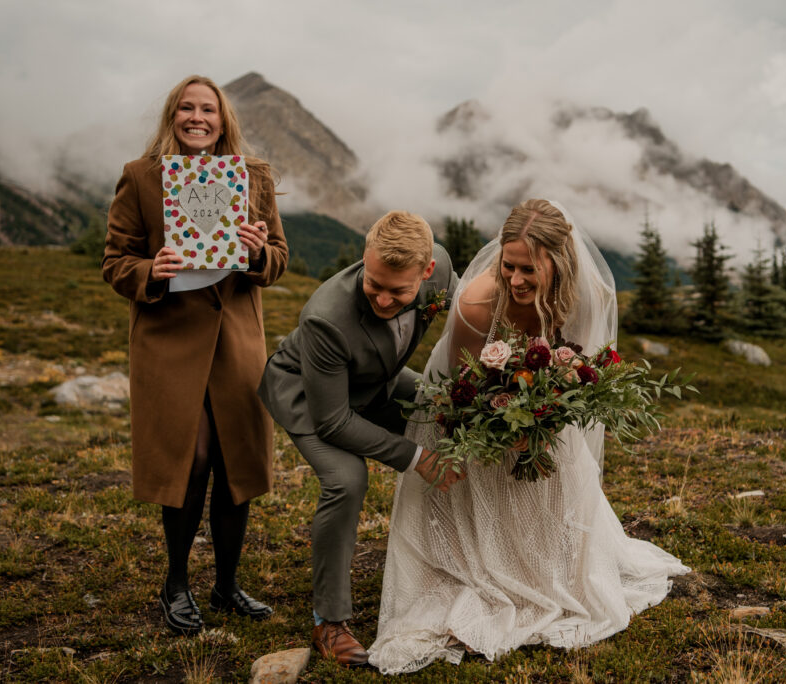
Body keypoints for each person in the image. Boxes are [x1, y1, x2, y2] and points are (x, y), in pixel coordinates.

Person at [367, 199, 690, 674]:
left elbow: (585, 375)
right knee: (481, 486)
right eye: (508, 266)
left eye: (528, 270)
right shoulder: (478, 302)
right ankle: (477, 561)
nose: (515, 280)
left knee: (552, 471)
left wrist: (545, 418)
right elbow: (461, 393)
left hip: (538, 409)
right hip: (467, 408)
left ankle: (539, 567)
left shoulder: (587, 298)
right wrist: (501, 428)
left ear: (558, 266)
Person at [102, 75, 289, 636]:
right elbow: (115, 261)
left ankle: (227, 585)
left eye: (208, 109)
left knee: (236, 463)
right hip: (169, 343)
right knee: (194, 458)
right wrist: (148, 271)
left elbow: (278, 257)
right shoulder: (141, 177)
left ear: (223, 118)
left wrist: (259, 255)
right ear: (172, 116)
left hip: (236, 342)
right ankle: (176, 584)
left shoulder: (252, 177)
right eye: (187, 107)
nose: (197, 117)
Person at [259, 210, 462, 667]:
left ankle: (462, 562)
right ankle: (328, 620)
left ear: (427, 271)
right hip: (313, 398)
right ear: (363, 258)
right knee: (346, 479)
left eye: (400, 291)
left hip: (377, 378)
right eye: (374, 284)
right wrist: (415, 456)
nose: (384, 300)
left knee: (455, 408)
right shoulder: (325, 319)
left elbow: (475, 310)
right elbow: (334, 422)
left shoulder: (442, 269)